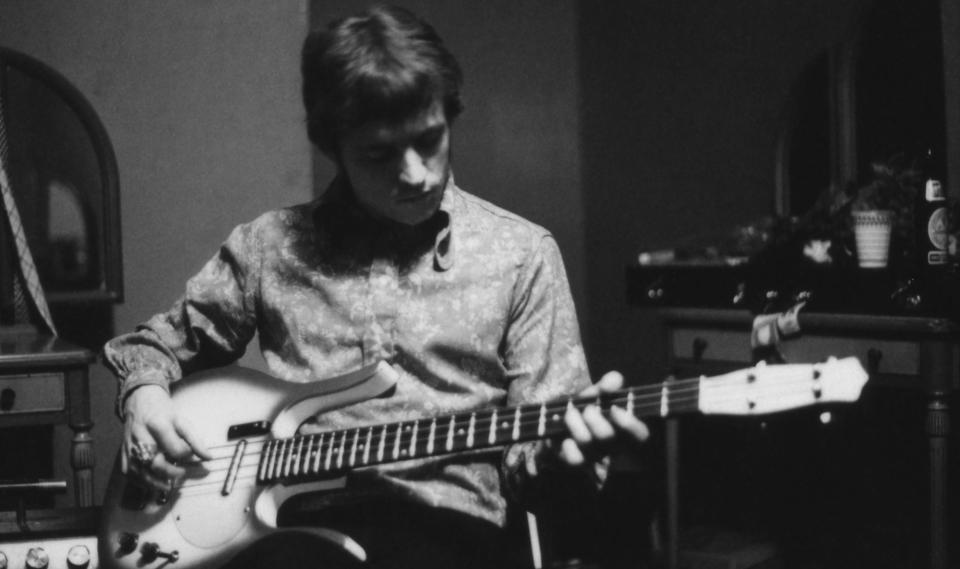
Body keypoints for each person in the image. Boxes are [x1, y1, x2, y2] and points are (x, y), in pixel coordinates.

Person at [102, 4, 649, 568]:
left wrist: (567, 452)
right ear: (333, 147)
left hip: (453, 538)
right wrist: (144, 396)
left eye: (429, 139)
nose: (415, 173)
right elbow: (152, 346)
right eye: (378, 154)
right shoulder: (268, 247)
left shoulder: (522, 255)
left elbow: (540, 480)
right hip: (288, 537)